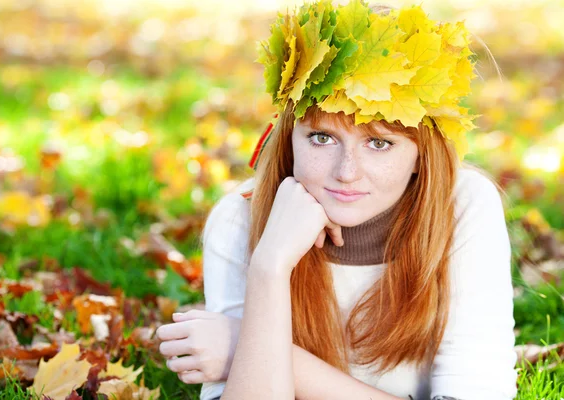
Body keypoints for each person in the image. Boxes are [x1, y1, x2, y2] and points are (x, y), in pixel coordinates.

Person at [156, 1, 518, 399]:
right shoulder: (240, 220)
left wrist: (250, 346)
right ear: (289, 136)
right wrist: (270, 267)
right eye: (322, 137)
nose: (346, 171)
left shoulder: (462, 207)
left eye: (379, 143)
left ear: (420, 155)